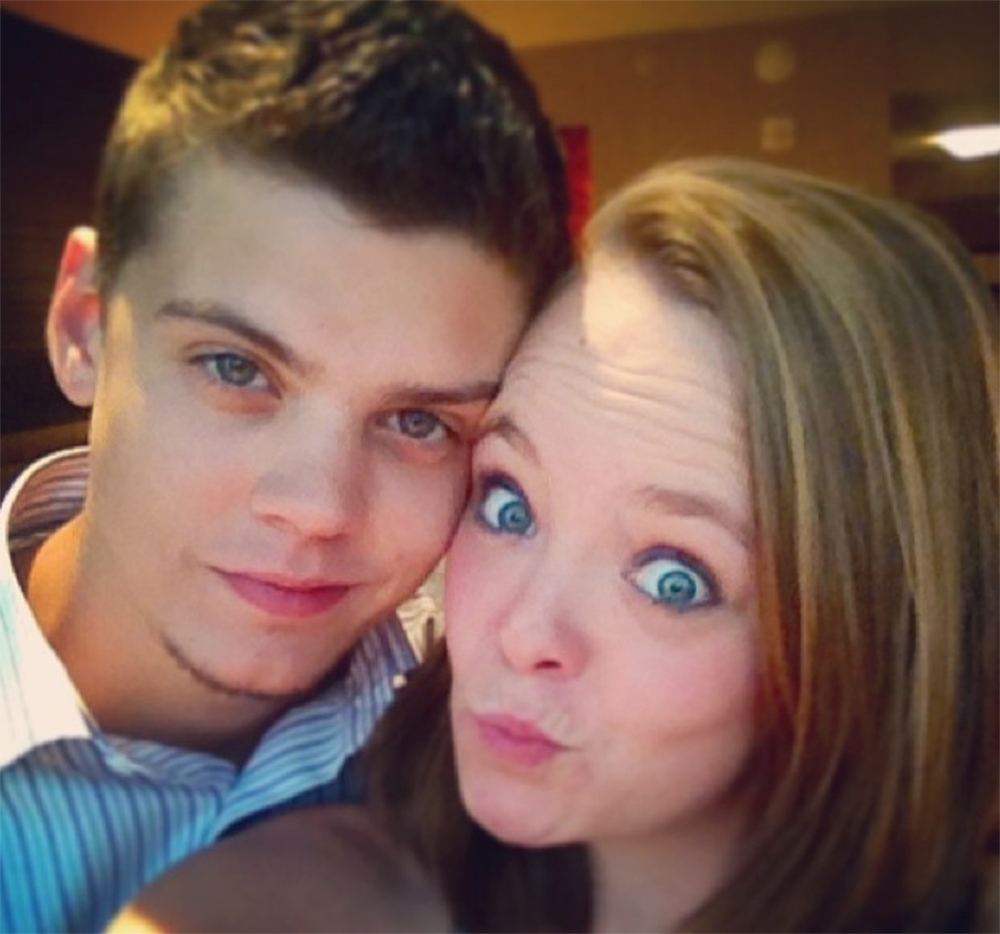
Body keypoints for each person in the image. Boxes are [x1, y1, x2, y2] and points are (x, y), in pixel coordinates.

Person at [108, 158, 998, 933]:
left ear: (885, 641)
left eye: (674, 579)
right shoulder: (295, 897)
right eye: (509, 505)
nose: (521, 633)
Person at [0, 1, 572, 931]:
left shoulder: (497, 739)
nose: (317, 508)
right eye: (236, 369)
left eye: (419, 421)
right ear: (83, 328)